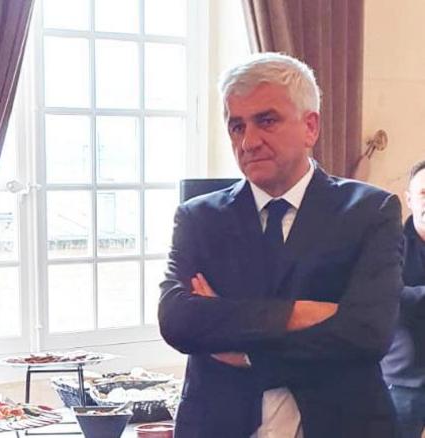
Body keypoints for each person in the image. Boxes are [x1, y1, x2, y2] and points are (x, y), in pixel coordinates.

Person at [158, 53, 403, 438]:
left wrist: (244, 350)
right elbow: (178, 321)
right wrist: (296, 314)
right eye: (236, 126)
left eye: (266, 121)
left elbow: (366, 333)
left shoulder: (370, 211)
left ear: (310, 127)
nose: (248, 141)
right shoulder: (199, 218)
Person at [382, 159, 425, 438]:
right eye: (423, 193)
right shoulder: (389, 243)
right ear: (409, 200)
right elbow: (390, 295)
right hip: (404, 382)